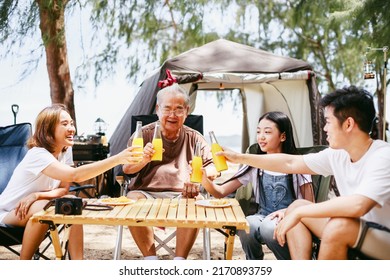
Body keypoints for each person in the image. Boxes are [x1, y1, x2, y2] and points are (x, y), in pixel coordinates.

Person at [217, 85, 390, 260]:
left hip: (384, 239)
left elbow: (358, 205)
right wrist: (239, 157)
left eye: (328, 122)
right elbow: (290, 162)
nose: (324, 128)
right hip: (361, 230)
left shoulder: (382, 156)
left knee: (336, 225)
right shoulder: (338, 154)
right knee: (297, 206)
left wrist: (302, 213)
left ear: (348, 124)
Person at [0, 104, 140, 260]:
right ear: (48, 129)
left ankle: (77, 264)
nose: (72, 128)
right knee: (45, 209)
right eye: (64, 124)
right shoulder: (37, 154)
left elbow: (63, 189)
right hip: (8, 212)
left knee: (72, 202)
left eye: (72, 123)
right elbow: (74, 175)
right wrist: (118, 158)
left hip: (35, 206)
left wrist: (36, 195)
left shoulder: (65, 151)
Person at [197, 111, 313, 260]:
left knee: (268, 227)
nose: (261, 136)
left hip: (290, 218)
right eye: (258, 131)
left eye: (267, 132)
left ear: (283, 136)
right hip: (263, 215)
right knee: (247, 225)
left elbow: (310, 204)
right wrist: (205, 180)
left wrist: (287, 212)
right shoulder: (255, 166)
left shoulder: (298, 165)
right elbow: (221, 192)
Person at [122, 83, 218, 260]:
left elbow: (213, 167)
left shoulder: (195, 138)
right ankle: (151, 260)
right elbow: (126, 169)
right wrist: (143, 159)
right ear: (158, 109)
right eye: (167, 108)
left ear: (186, 111)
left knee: (196, 201)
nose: (172, 115)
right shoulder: (143, 135)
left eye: (178, 109)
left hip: (183, 195)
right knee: (131, 201)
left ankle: (179, 261)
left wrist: (200, 176)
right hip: (146, 193)